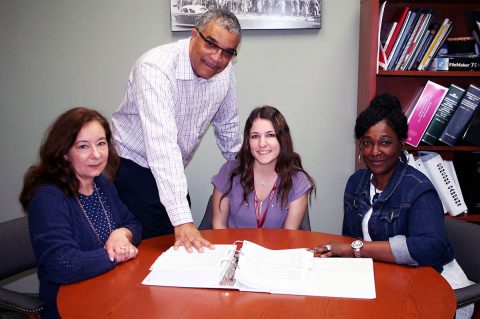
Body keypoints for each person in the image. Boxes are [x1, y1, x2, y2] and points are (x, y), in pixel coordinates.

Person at [311, 93, 473, 319]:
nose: (375, 151)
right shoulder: (355, 184)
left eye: (385, 142)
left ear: (401, 144)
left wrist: (358, 249)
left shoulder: (419, 189)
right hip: (387, 281)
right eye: (367, 143)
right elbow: (350, 238)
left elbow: (431, 248)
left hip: (438, 286)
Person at [112, 9, 242, 251]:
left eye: (227, 52)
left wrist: (247, 170)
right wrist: (182, 219)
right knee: (148, 249)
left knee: (179, 247)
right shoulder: (155, 68)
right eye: (211, 44)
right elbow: (162, 145)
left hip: (171, 168)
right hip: (131, 167)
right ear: (194, 35)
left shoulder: (224, 74)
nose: (217, 57)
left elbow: (228, 126)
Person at [19, 108, 142, 319]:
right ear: (64, 152)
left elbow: (134, 224)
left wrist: (122, 233)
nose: (96, 154)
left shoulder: (102, 184)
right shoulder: (49, 197)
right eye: (83, 146)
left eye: (101, 143)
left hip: (108, 289)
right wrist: (116, 254)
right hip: (68, 303)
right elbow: (62, 264)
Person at [211, 105, 316, 229]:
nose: (262, 144)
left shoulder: (298, 181)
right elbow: (218, 226)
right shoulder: (229, 172)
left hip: (277, 248)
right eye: (255, 136)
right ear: (248, 141)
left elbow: (289, 237)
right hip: (233, 247)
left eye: (270, 135)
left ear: (282, 139)